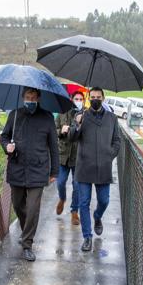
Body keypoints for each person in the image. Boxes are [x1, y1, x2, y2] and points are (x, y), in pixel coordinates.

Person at [1, 87, 59, 261]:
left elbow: (54, 147)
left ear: (38, 98)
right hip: (17, 167)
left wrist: (54, 171)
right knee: (18, 205)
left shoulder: (47, 118)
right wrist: (7, 146)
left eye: (33, 98)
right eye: (28, 97)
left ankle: (27, 244)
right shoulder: (15, 115)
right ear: (23, 97)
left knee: (33, 208)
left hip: (38, 169)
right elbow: (4, 137)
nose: (30, 100)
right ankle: (26, 228)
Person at [70, 86, 121, 252]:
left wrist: (109, 155)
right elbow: (72, 138)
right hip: (84, 166)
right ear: (88, 98)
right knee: (83, 202)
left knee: (104, 200)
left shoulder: (112, 118)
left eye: (98, 97)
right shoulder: (81, 116)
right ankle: (87, 237)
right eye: (92, 97)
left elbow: (117, 141)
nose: (96, 99)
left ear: (103, 99)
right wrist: (77, 125)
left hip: (103, 167)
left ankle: (97, 216)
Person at [55, 91, 85, 225]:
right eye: (76, 98)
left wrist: (80, 125)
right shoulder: (62, 113)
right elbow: (53, 130)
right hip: (63, 155)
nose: (78, 101)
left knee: (77, 186)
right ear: (71, 99)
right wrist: (61, 131)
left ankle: (74, 212)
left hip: (78, 156)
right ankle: (62, 198)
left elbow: (89, 135)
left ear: (84, 101)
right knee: (60, 182)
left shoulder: (86, 115)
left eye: (80, 99)